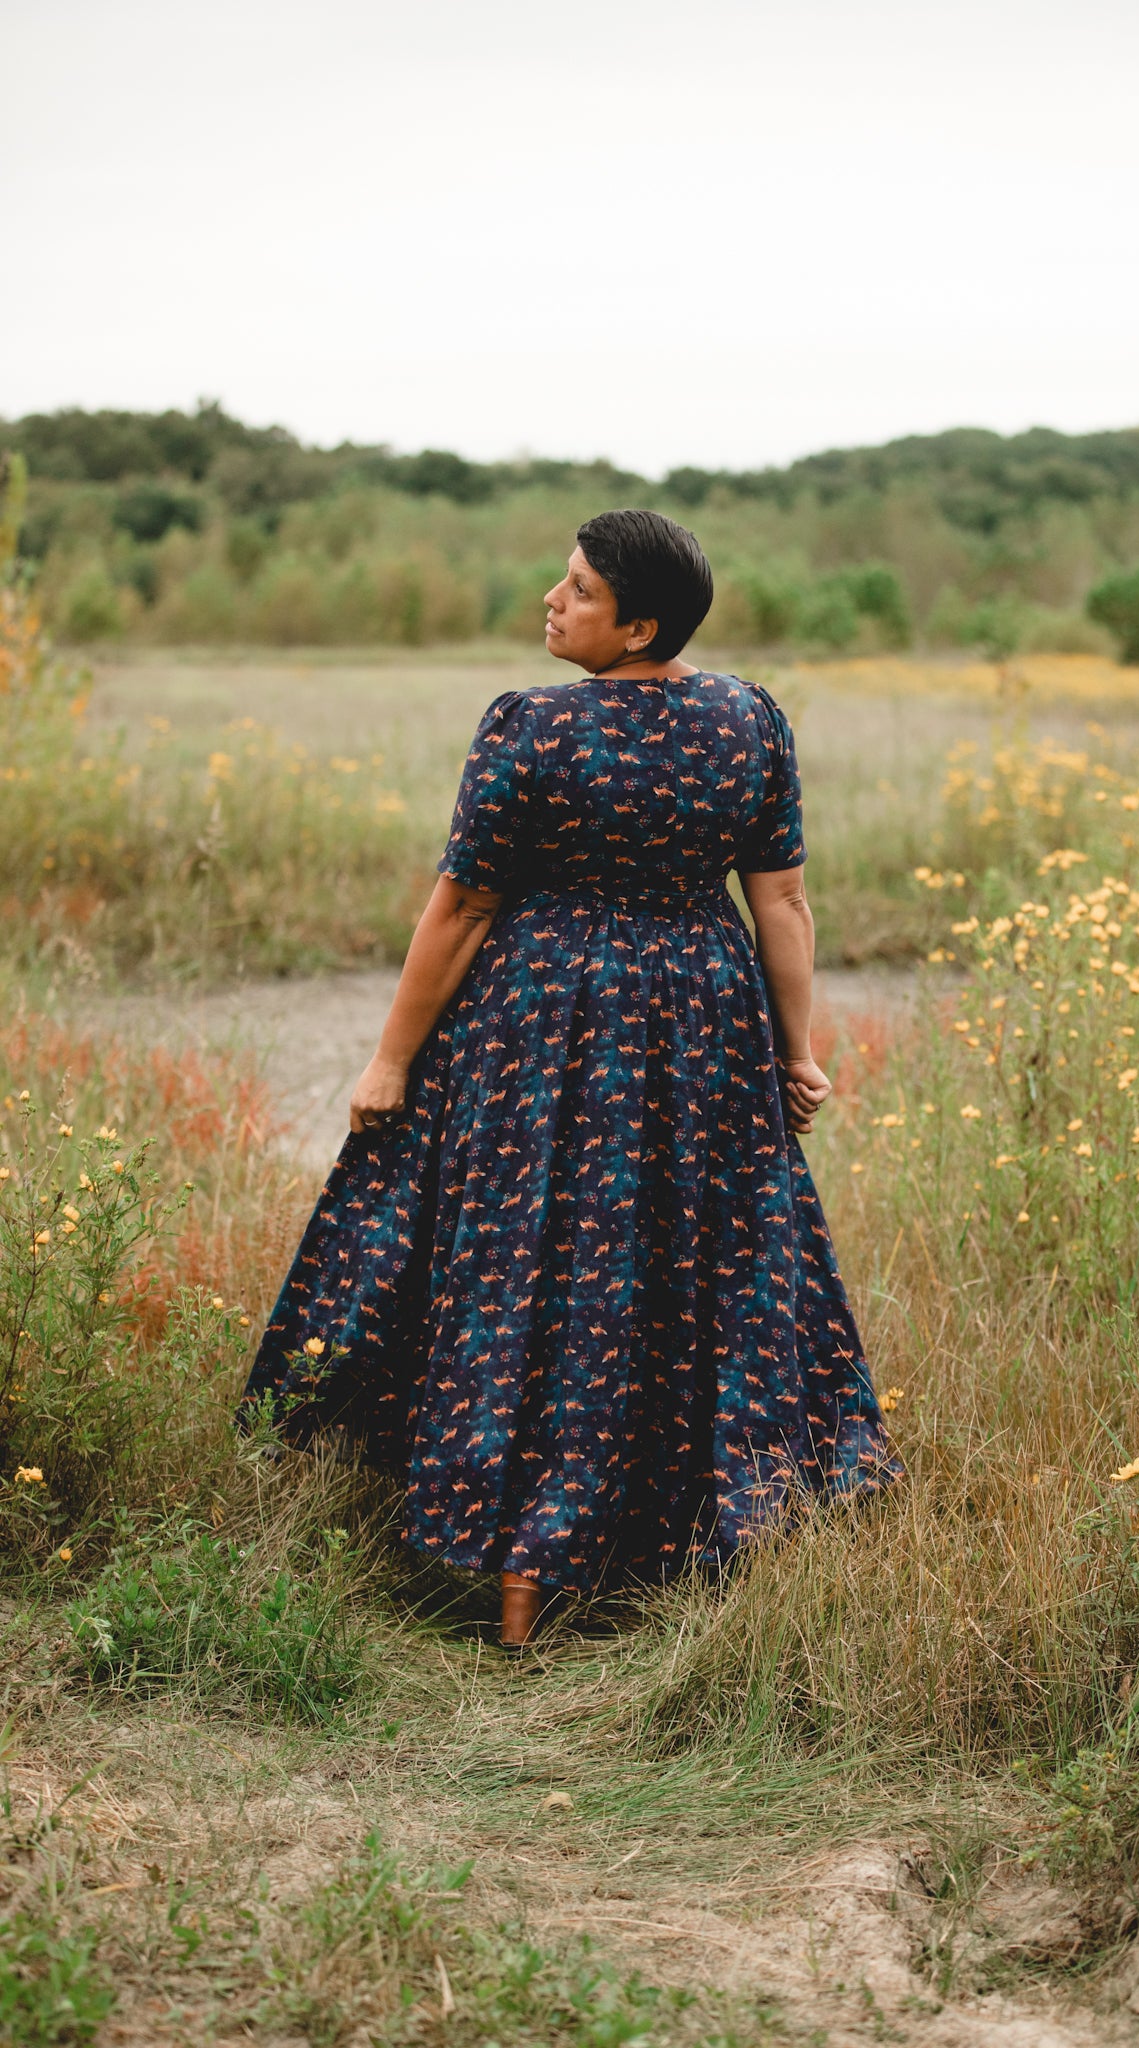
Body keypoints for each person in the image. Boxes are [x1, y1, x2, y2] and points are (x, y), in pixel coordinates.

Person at [241, 508, 901, 1650]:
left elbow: (463, 907)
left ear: (638, 623)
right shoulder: (750, 722)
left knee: (531, 1267)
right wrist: (793, 1050)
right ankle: (683, 1545)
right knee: (683, 1273)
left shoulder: (533, 730)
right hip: (704, 1022)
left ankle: (515, 1579)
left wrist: (390, 1059)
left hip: (543, 1024)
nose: (553, 599)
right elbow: (781, 902)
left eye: (580, 589)